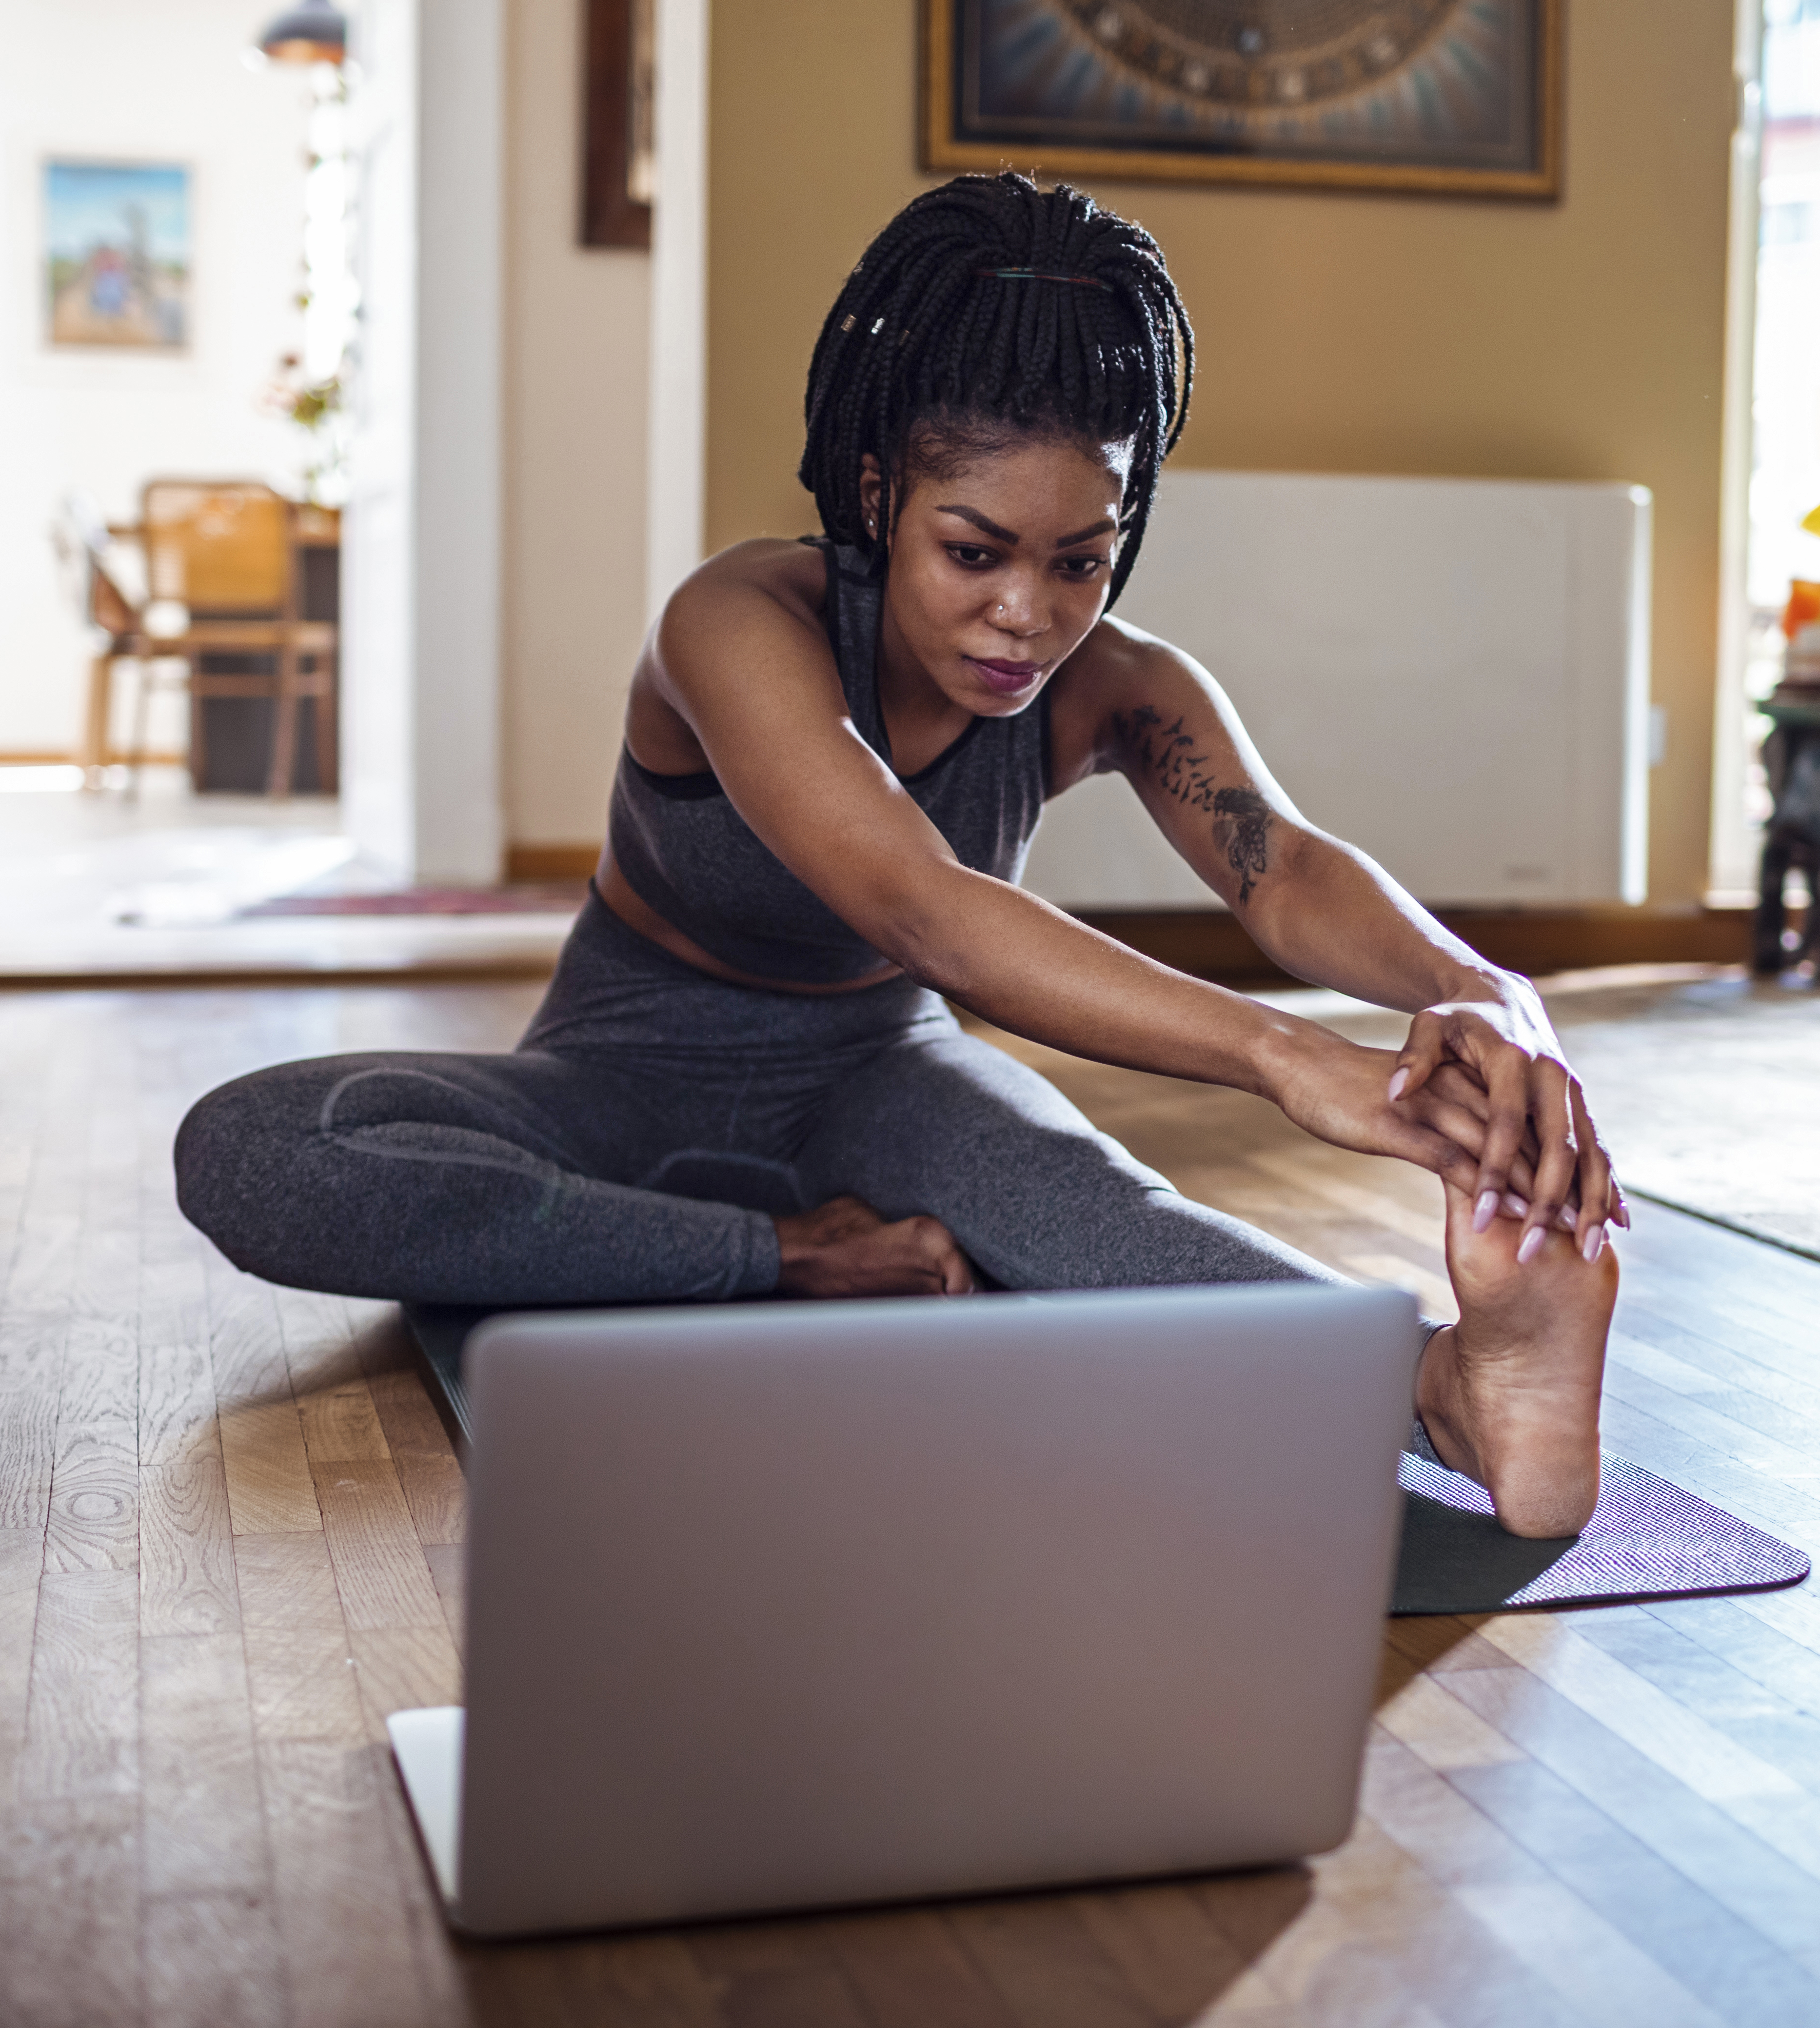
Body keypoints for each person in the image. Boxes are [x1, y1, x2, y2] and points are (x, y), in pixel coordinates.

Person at [177, 174, 1625, 1533]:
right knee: (262, 1152)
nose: (1028, 617)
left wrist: (1481, 985)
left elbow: (1283, 869)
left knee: (1093, 1208)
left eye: (1081, 559)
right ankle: (780, 1252)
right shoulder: (738, 626)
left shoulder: (1121, 687)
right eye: (976, 551)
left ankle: (1450, 1387)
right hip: (616, 1080)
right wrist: (1286, 1057)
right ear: (878, 498)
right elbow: (924, 903)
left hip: (880, 1085)